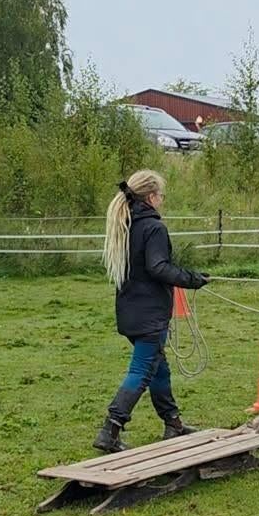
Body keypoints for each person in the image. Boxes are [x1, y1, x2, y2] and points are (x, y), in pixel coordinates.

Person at [95, 170, 210, 452]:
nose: (162, 199)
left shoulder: (127, 224)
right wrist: (191, 279)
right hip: (150, 314)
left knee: (159, 369)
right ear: (151, 197)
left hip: (130, 310)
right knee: (142, 370)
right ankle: (110, 428)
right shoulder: (153, 228)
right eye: (161, 194)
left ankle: (173, 423)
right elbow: (158, 267)